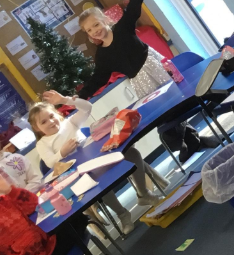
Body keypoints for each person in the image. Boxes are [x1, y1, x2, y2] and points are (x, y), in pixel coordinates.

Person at [75, 0, 218, 162]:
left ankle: (193, 140)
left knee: (179, 100)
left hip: (156, 66)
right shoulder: (102, 56)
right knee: (165, 113)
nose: (94, 31)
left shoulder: (122, 28)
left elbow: (134, 7)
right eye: (89, 30)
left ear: (105, 20)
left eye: (96, 24)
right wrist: (80, 96)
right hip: (141, 82)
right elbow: (98, 78)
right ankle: (190, 141)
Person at [30, 94, 167, 222]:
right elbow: (49, 163)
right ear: (37, 128)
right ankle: (122, 214)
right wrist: (62, 152)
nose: (51, 122)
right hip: (83, 172)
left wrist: (65, 100)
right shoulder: (42, 144)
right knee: (96, 184)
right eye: (44, 122)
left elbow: (87, 107)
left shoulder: (69, 123)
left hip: (101, 155)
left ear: (57, 113)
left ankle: (144, 194)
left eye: (51, 116)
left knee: (132, 154)